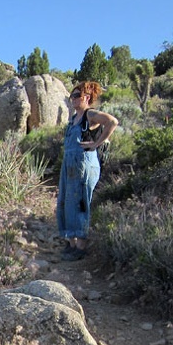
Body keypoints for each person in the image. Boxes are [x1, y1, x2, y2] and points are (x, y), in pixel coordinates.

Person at [56, 81, 119, 261]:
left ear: (87, 98)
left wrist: (96, 144)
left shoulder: (89, 115)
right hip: (69, 165)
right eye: (72, 96)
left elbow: (112, 122)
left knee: (81, 202)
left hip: (83, 164)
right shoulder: (73, 118)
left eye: (77, 96)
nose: (73, 99)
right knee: (66, 201)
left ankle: (81, 247)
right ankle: (71, 242)